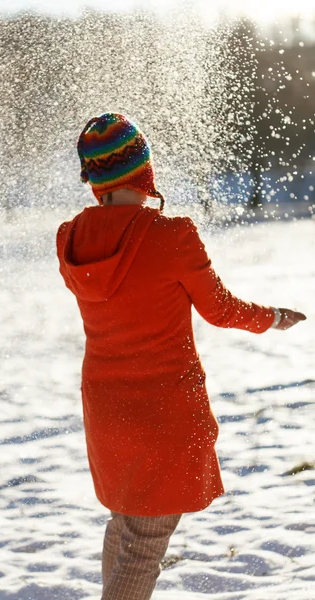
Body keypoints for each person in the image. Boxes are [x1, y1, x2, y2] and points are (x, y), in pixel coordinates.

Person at [56, 113, 306, 600]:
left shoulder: (70, 239)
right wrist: (272, 317)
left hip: (107, 411)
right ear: (144, 171)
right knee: (145, 544)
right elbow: (220, 309)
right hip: (163, 414)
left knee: (127, 525)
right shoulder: (172, 235)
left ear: (96, 179)